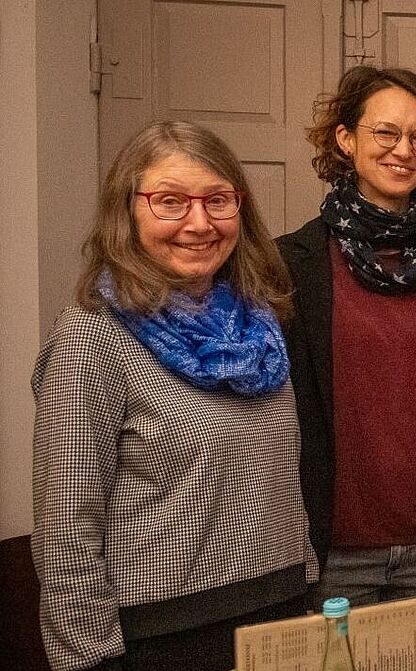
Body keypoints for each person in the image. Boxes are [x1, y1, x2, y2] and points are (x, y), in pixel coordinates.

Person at [31, 120, 314, 671]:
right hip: (163, 636)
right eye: (170, 202)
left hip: (280, 616)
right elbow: (66, 526)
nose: (199, 223)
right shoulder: (91, 336)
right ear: (127, 212)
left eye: (218, 201)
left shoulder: (263, 325)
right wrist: (88, 659)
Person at [279, 66, 416, 611]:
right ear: (346, 138)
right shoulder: (291, 264)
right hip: (325, 550)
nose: (403, 150)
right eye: (385, 133)